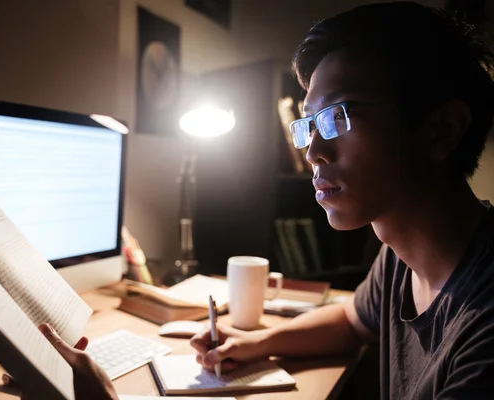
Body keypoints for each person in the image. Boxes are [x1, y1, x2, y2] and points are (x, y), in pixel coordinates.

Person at [34, 2, 494, 399]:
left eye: (336, 116)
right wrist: (255, 343)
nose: (313, 151)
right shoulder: (402, 259)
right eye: (308, 124)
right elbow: (354, 321)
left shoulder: (484, 328)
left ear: (442, 130)